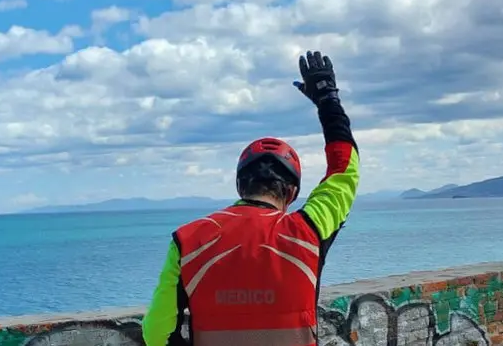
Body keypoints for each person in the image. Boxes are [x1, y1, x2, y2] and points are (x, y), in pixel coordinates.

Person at [141, 50, 360, 346]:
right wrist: (327, 98)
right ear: (292, 193)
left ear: (239, 185)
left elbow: (156, 333)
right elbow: (344, 170)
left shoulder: (187, 240)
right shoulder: (309, 230)